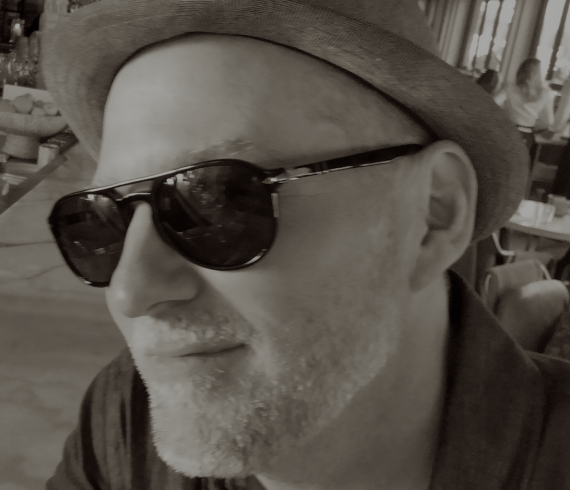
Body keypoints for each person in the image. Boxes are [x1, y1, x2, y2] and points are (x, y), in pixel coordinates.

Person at [41, 0, 570, 489]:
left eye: (214, 201)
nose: (130, 292)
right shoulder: (124, 418)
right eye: (102, 221)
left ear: (433, 212)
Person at [495, 58, 556, 177]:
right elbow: (549, 120)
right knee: (517, 169)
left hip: (507, 131)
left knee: (500, 165)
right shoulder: (545, 94)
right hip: (527, 135)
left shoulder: (509, 88)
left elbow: (493, 102)